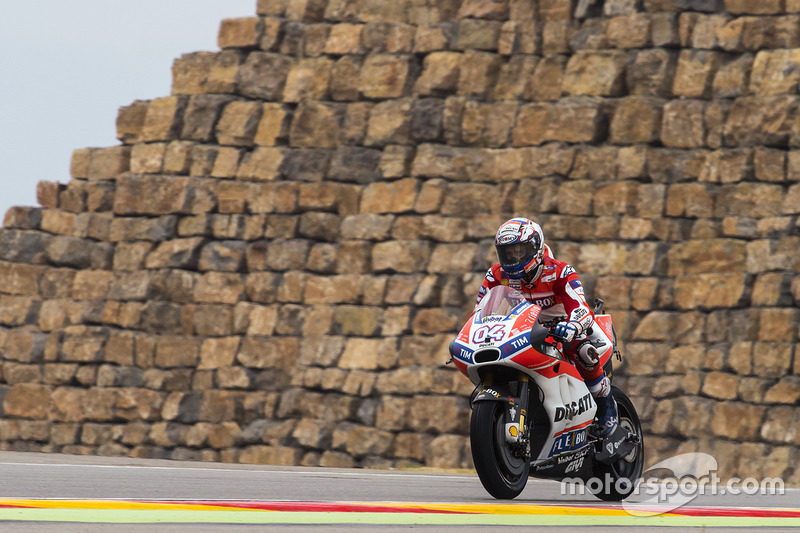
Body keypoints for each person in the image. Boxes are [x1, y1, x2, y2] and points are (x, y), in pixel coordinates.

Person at [476, 217, 620, 438]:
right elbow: (480, 311)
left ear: (536, 248)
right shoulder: (496, 275)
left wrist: (572, 325)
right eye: (507, 253)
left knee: (584, 353)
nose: (513, 258)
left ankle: (606, 409)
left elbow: (581, 305)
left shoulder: (560, 272)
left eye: (519, 251)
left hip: (564, 328)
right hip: (523, 329)